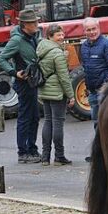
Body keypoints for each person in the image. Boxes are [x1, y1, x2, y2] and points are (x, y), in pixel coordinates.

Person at [0, 7, 43, 163]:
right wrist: (13, 72)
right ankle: (23, 152)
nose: (37, 23)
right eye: (33, 22)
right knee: (25, 117)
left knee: (34, 117)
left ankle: (32, 149)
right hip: (24, 84)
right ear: (24, 25)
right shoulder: (17, 40)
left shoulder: (33, 36)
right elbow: (1, 59)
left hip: (32, 82)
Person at [37, 24, 74, 165]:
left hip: (45, 90)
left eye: (62, 34)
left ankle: (45, 157)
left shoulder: (41, 48)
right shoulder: (57, 53)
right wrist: (70, 95)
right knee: (58, 123)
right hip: (57, 91)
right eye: (58, 35)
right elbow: (63, 77)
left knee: (48, 122)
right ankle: (59, 156)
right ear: (50, 36)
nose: (62, 37)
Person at [78, 16, 108, 130]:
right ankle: (99, 147)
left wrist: (104, 85)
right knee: (97, 123)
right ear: (84, 31)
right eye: (88, 30)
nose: (92, 32)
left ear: (99, 28)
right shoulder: (84, 46)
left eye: (94, 29)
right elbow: (86, 68)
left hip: (105, 92)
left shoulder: (107, 45)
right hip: (92, 92)